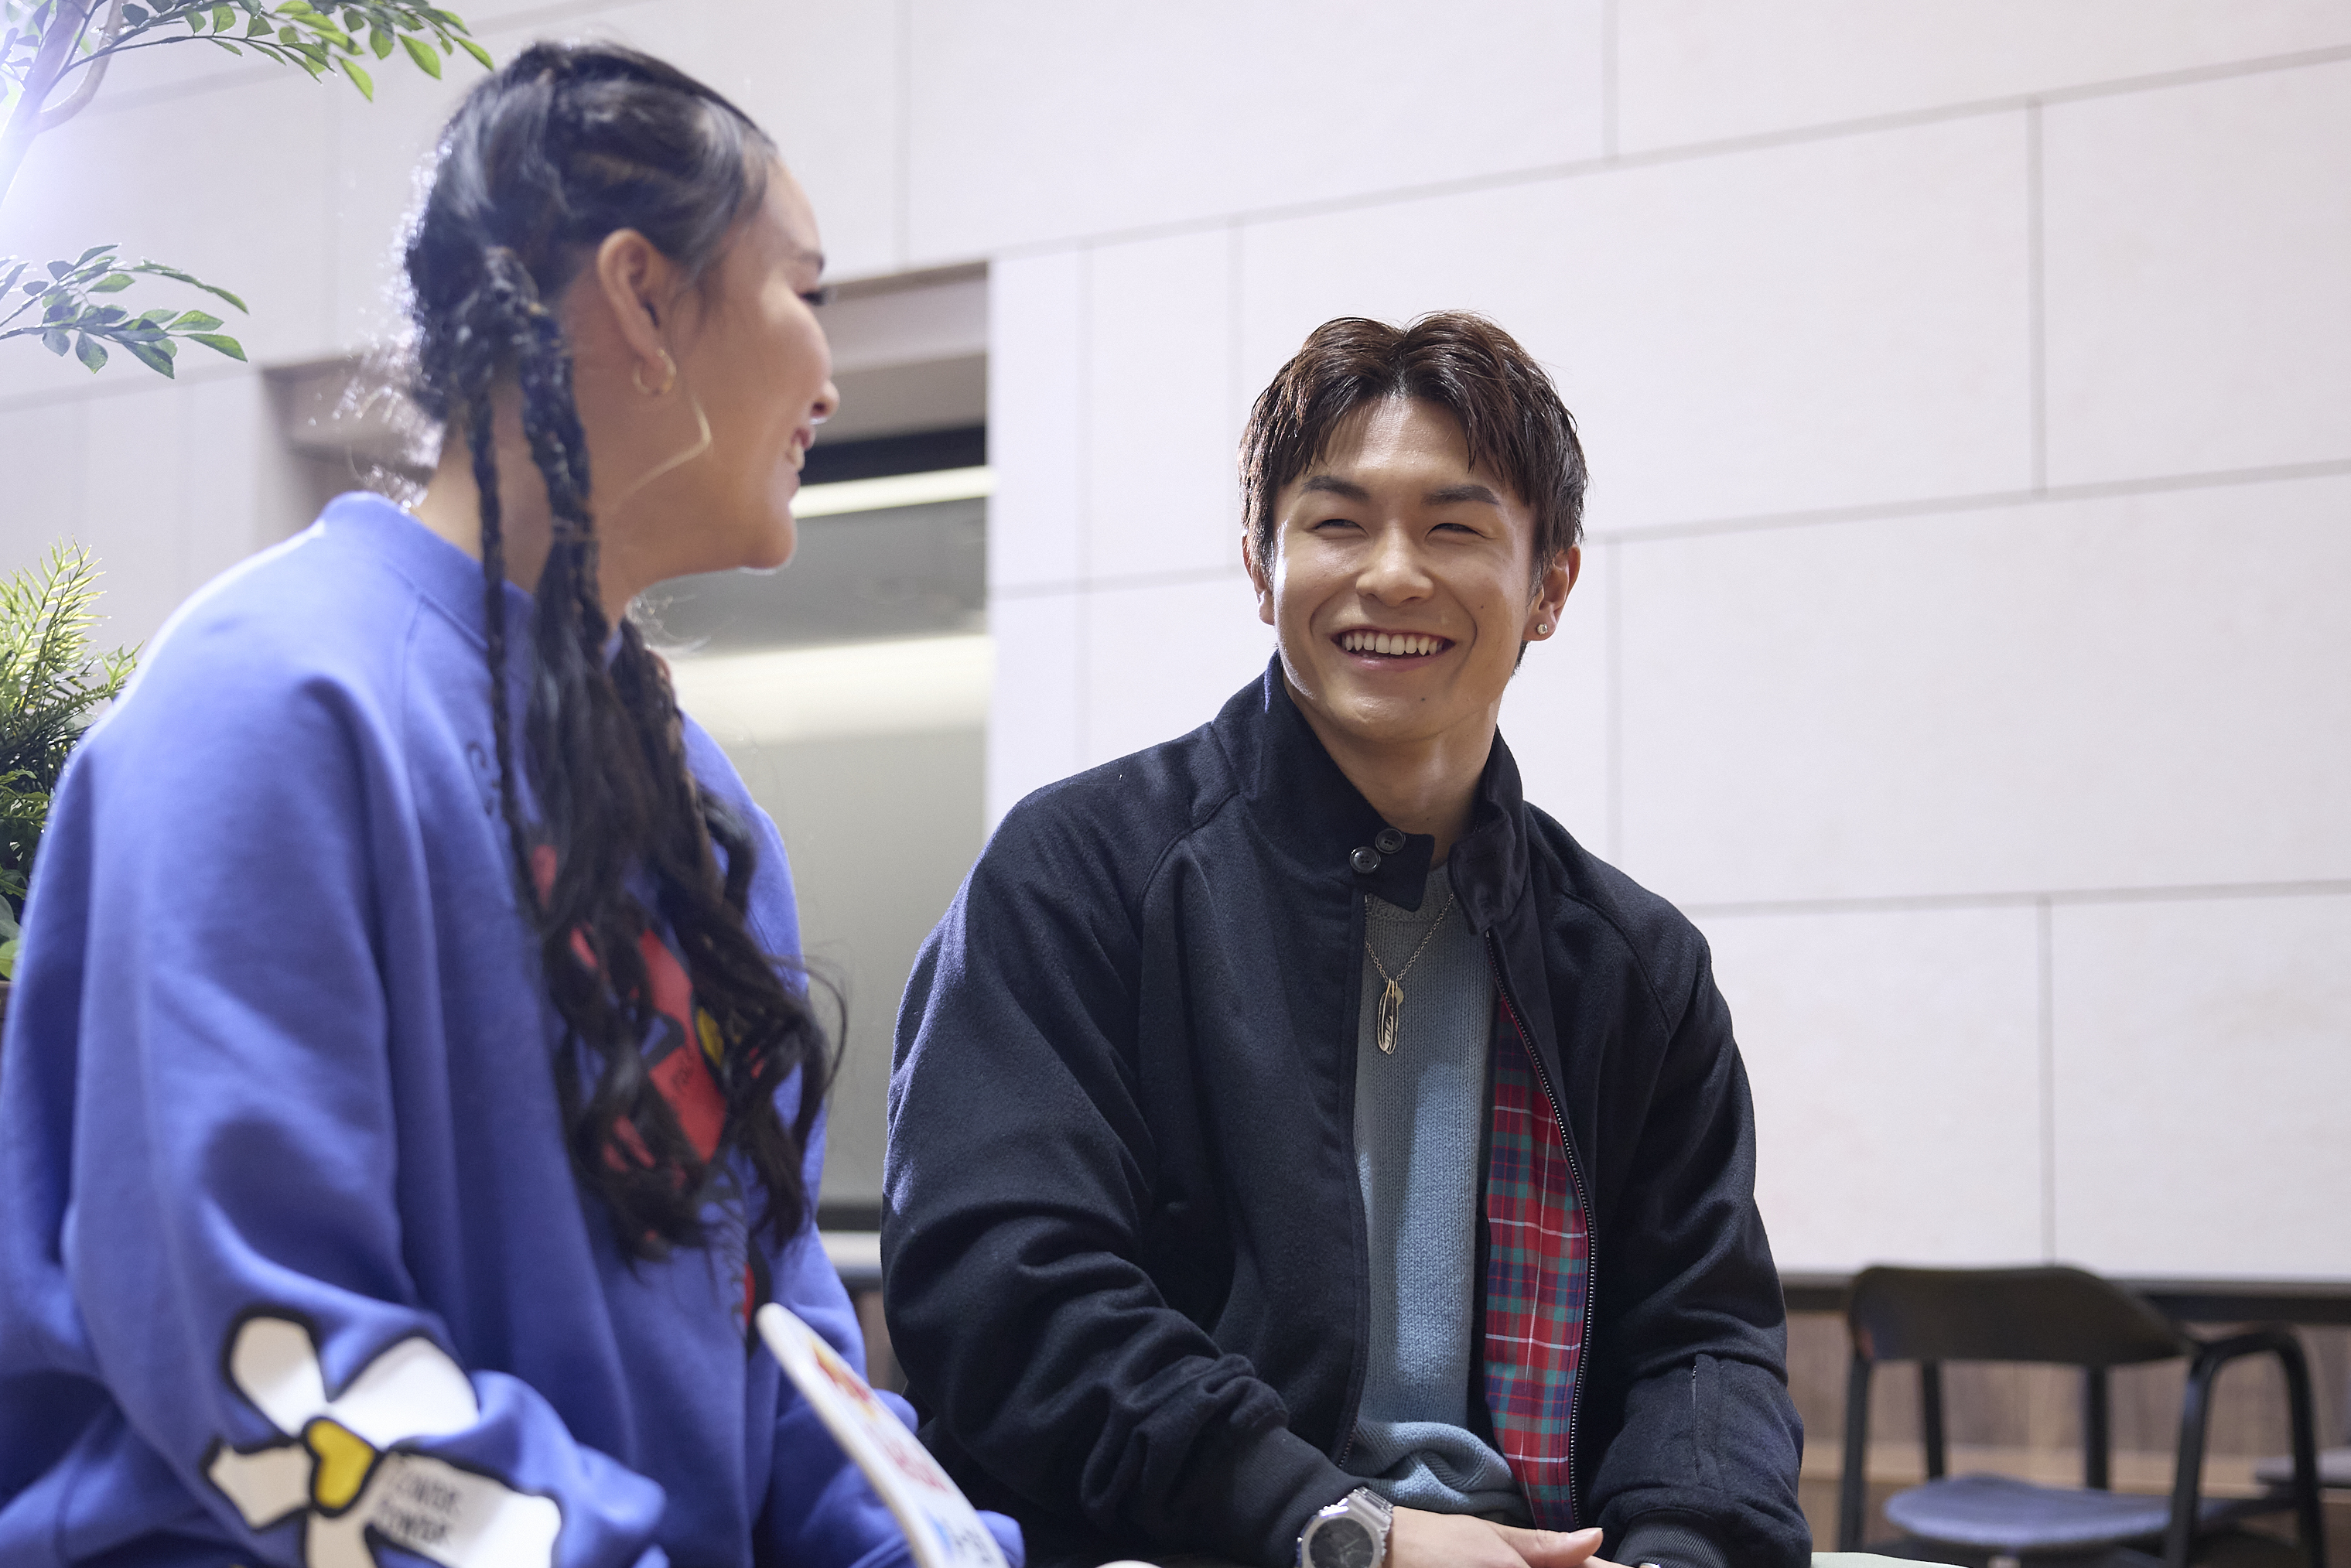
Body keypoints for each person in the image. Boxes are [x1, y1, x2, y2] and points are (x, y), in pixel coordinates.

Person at [0, 43, 1020, 1568]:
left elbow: (782, 1342)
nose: (827, 378)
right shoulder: (271, 702)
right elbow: (268, 1362)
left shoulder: (698, 803)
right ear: (641, 298)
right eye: (802, 291)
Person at [883, 314, 1808, 1568]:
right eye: (1337, 523)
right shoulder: (1081, 875)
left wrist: (1682, 1554)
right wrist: (1340, 1529)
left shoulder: (1633, 969)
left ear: (1550, 586)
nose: (1392, 575)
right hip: (1198, 1542)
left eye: (1454, 528)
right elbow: (1005, 1291)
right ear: (1262, 568)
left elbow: (1704, 1346)